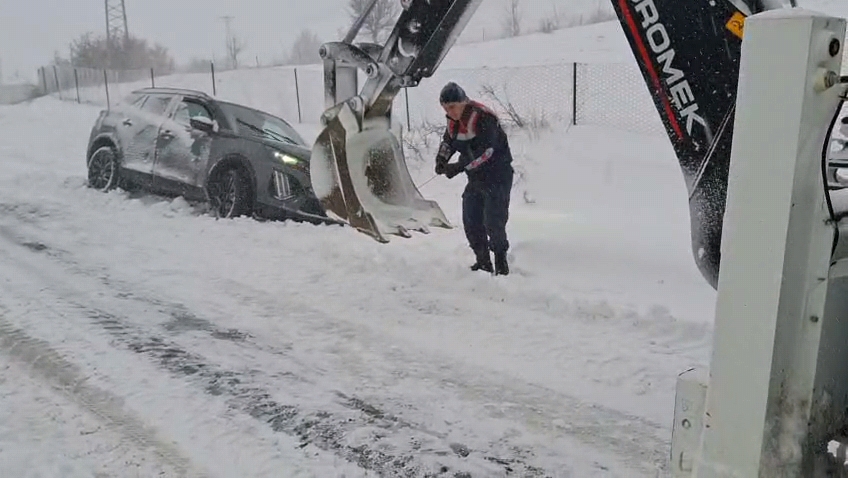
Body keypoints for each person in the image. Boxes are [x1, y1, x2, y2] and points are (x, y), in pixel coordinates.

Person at [434, 82, 514, 276]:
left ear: (463, 102)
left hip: (497, 176)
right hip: (476, 178)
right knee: (471, 220)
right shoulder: (453, 121)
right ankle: (482, 262)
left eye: (452, 107)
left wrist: (458, 167)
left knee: (494, 222)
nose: (449, 112)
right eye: (445, 108)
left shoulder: (483, 117)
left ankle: (501, 263)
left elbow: (486, 152)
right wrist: (442, 159)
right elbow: (448, 141)